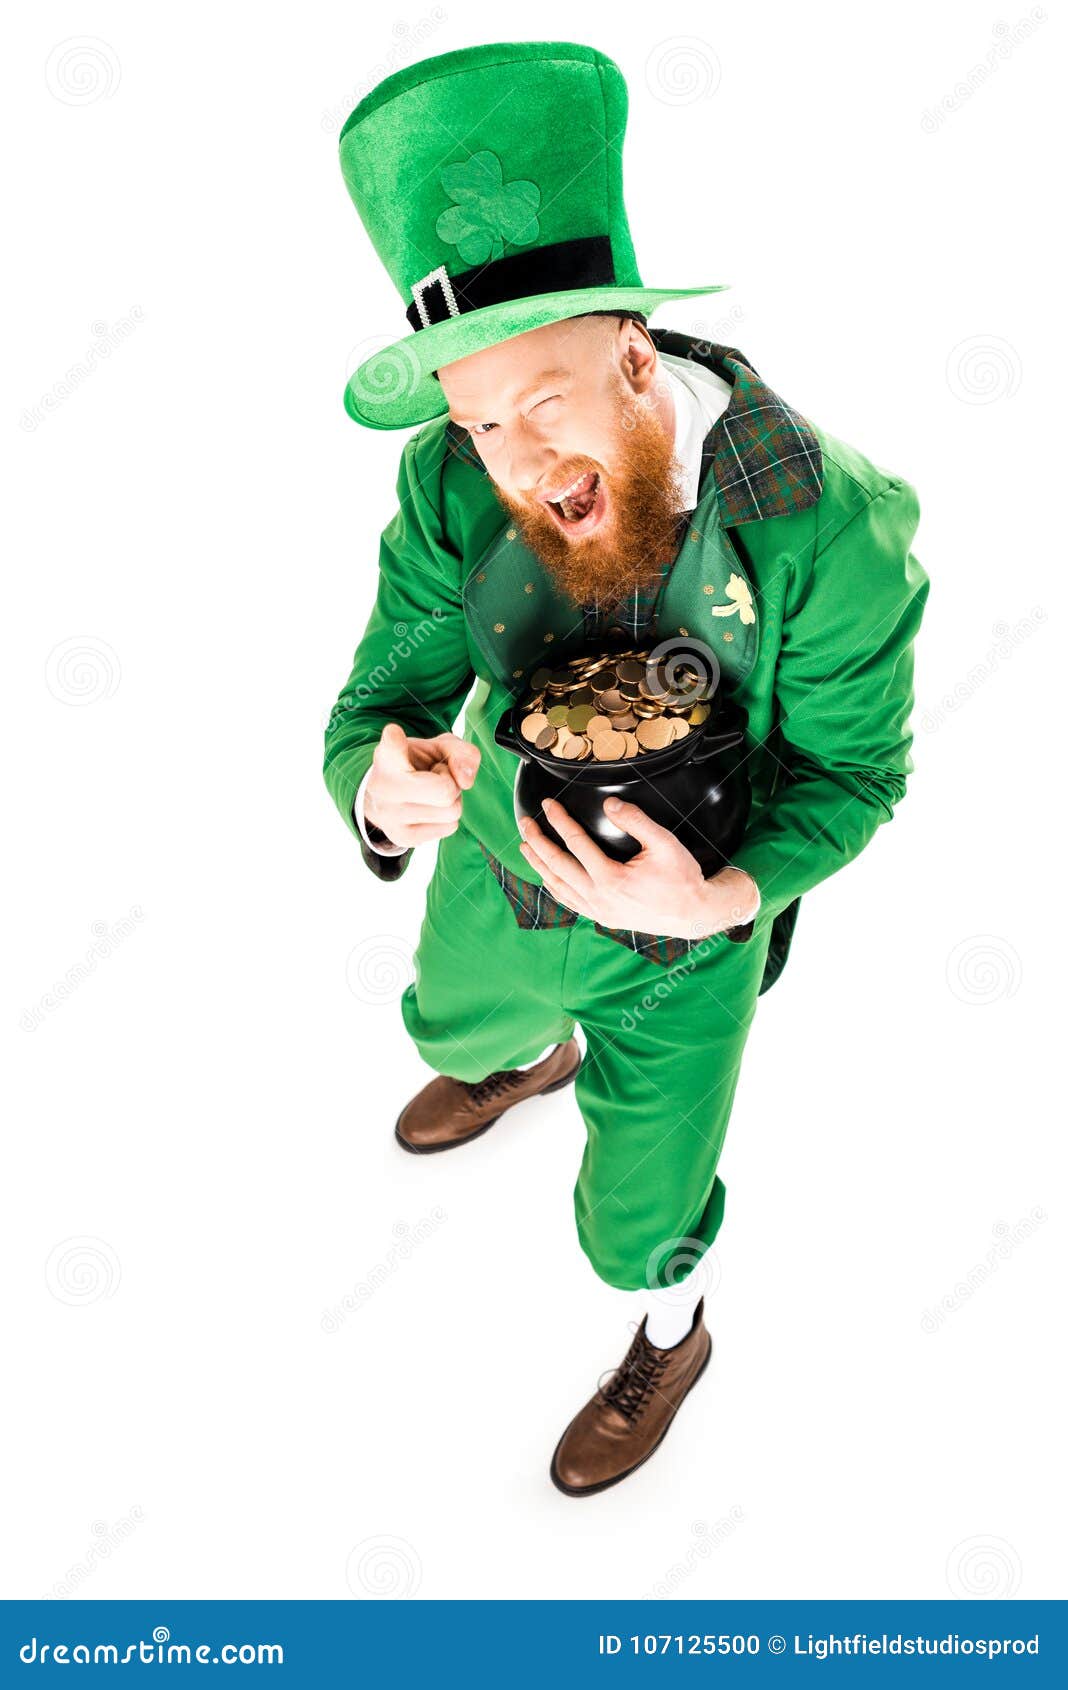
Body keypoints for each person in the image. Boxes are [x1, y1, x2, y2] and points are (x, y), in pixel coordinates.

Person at [323, 41, 929, 1497]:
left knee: (633, 1219)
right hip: (498, 856)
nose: (515, 461)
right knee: (437, 1025)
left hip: (684, 933)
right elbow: (383, 698)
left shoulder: (824, 521)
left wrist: (729, 895)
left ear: (639, 357)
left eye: (541, 404)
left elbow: (856, 776)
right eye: (475, 419)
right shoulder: (455, 485)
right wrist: (378, 788)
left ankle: (671, 1333)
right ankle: (523, 1053)